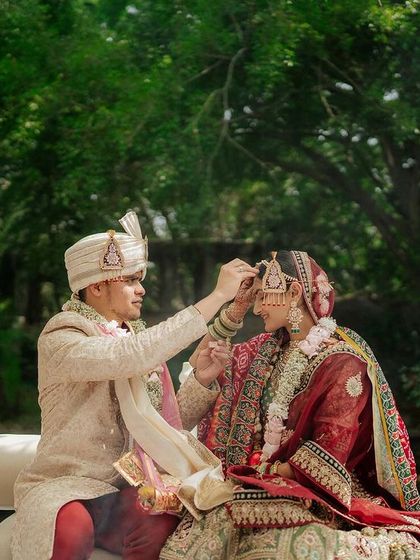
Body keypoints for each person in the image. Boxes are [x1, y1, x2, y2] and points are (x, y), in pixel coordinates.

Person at [11, 210, 258, 560]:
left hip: (126, 489)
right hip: (65, 486)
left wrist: (202, 377)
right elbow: (128, 355)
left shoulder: (136, 341)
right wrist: (217, 297)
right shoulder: (62, 336)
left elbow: (164, 424)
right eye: (130, 280)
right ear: (96, 287)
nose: (141, 289)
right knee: (71, 528)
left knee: (165, 520)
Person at [160, 250, 420, 560]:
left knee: (260, 538)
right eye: (252, 301)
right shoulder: (260, 353)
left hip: (318, 497)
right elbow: (196, 373)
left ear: (294, 292)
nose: (256, 309)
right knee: (197, 532)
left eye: (262, 297)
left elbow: (325, 459)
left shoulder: (341, 362)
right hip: (250, 486)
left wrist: (255, 475)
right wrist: (234, 311)